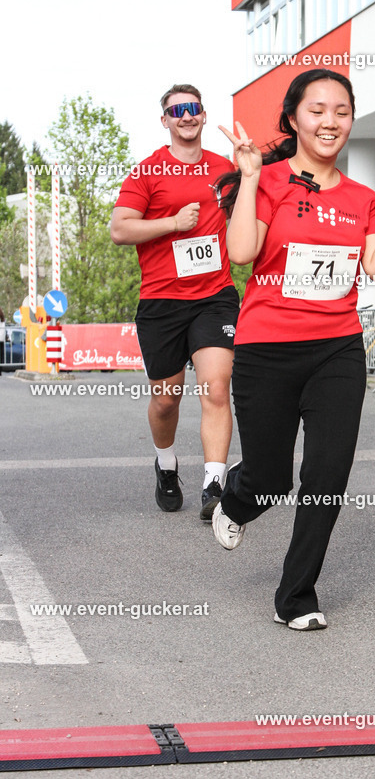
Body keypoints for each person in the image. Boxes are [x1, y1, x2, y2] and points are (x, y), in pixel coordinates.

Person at [211, 68, 375, 630]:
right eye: (317, 110)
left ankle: (297, 595)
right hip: (267, 350)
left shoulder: (362, 199)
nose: (330, 121)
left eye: (341, 111)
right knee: (271, 481)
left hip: (336, 349)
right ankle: (237, 497)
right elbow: (240, 254)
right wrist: (251, 178)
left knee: (326, 477)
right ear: (293, 119)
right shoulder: (269, 179)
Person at [111, 84, 240, 517]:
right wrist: (171, 222)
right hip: (162, 301)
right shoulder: (148, 171)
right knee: (167, 399)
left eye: (194, 108)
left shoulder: (225, 168)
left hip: (215, 297)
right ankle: (166, 465)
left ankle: (215, 484)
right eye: (176, 110)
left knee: (216, 388)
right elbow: (120, 230)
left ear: (204, 115)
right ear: (164, 120)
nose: (186, 116)